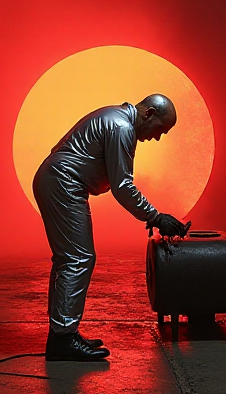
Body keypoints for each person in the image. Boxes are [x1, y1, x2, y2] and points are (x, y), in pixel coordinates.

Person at [33, 93, 189, 361]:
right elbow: (123, 186)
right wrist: (155, 217)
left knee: (67, 260)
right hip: (63, 183)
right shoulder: (122, 127)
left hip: (58, 181)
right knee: (77, 258)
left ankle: (63, 332)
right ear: (149, 113)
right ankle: (62, 339)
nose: (158, 137)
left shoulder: (116, 118)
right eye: (161, 129)